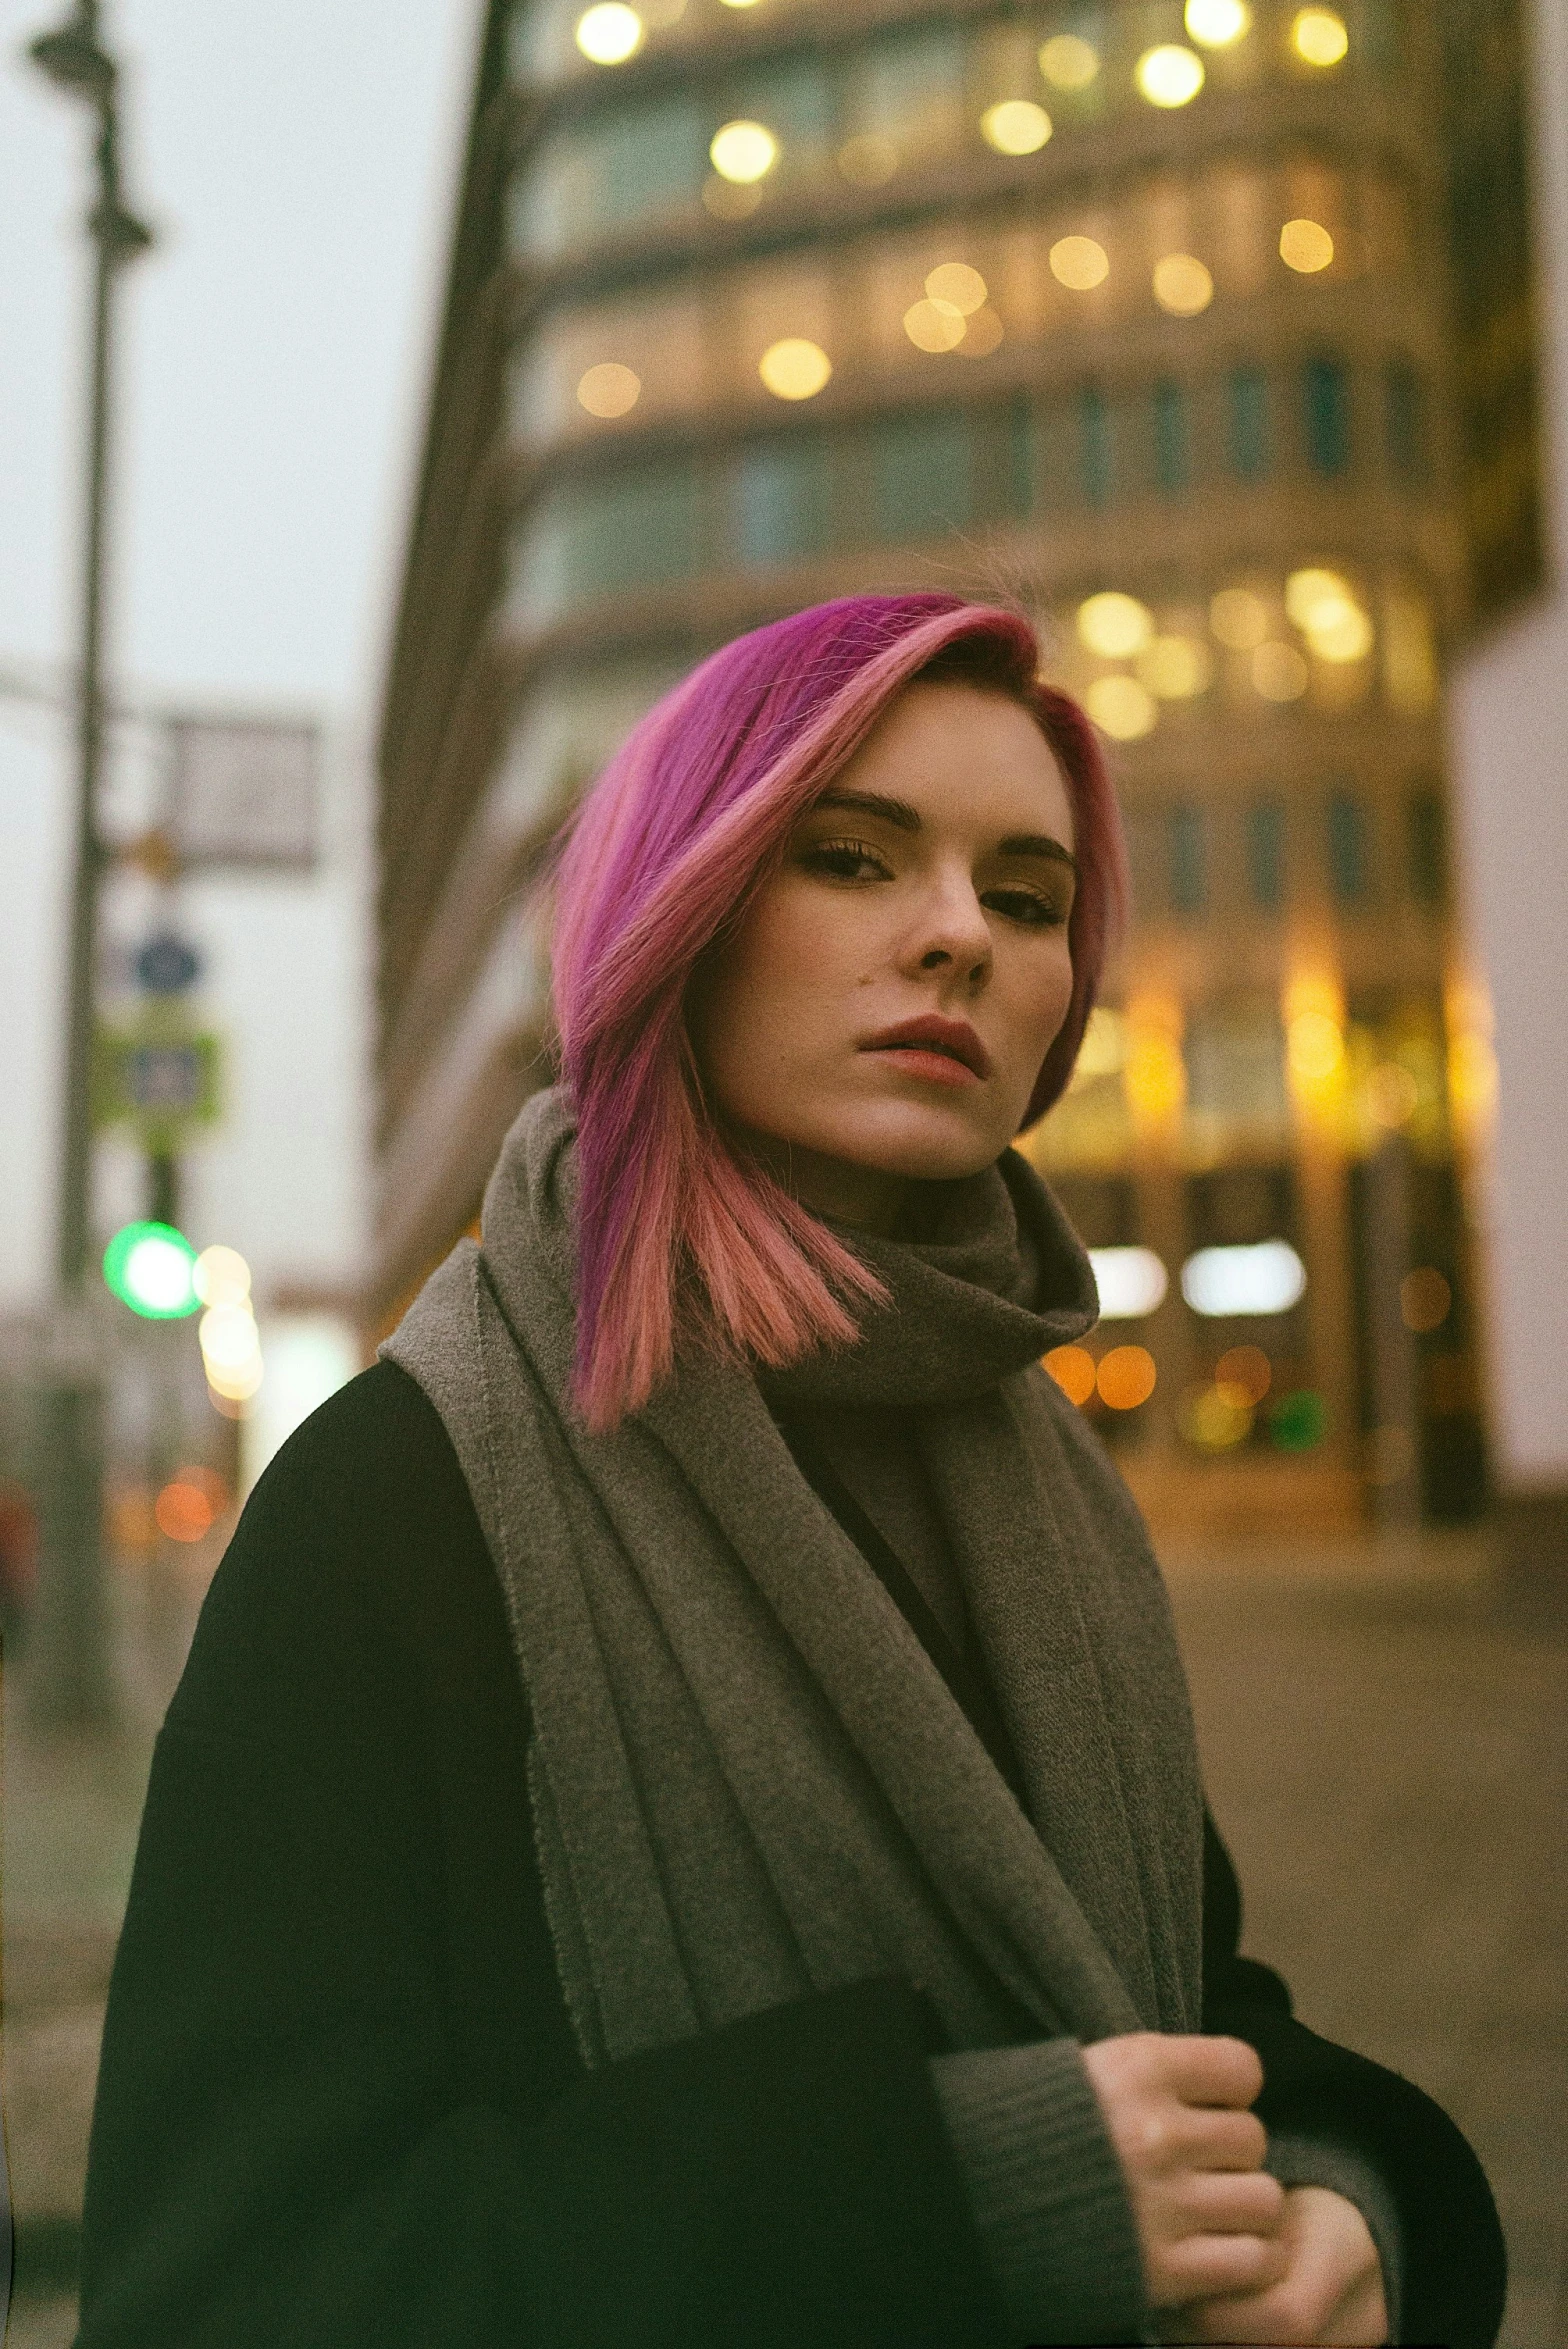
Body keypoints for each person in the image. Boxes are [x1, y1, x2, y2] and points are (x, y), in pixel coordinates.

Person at [75, 594, 1505, 2348]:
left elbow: (1188, 2014)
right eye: (852, 858)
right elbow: (225, 2286)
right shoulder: (399, 1501)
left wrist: (1343, 2198)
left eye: (1029, 896)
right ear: (682, 911)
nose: (958, 938)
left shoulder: (1054, 1493)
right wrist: (952, 2198)